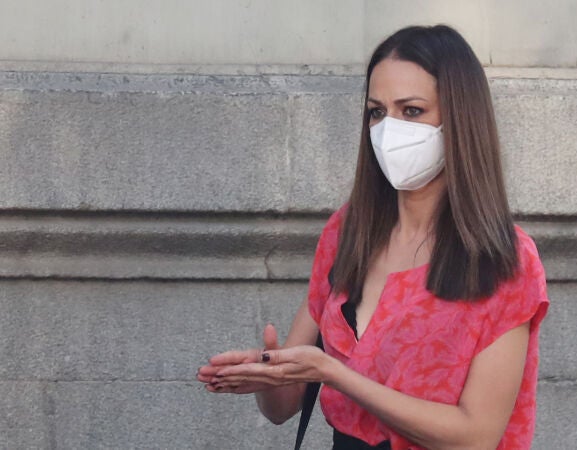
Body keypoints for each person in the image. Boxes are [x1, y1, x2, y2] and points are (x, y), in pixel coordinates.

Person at [197, 24, 549, 450]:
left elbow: (475, 436)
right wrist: (268, 372)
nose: (389, 130)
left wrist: (334, 374)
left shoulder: (502, 259)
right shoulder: (348, 232)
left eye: (412, 111)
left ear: (460, 118)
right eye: (377, 112)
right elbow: (283, 406)